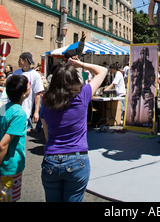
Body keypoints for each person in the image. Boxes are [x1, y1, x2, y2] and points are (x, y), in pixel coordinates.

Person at [41, 59, 107, 202]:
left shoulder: (46, 101)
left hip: (51, 157)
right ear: (74, 80)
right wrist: (81, 64)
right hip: (77, 158)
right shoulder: (82, 95)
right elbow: (103, 71)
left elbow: (46, 133)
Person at [0, 75, 31, 202]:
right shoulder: (19, 114)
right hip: (9, 167)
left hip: (5, 166)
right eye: (28, 87)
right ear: (23, 93)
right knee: (8, 199)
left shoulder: (3, 108)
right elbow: (3, 145)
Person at [13, 52, 44, 132]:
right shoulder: (16, 73)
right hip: (13, 108)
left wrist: (36, 112)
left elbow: (37, 94)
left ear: (25, 60)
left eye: (19, 59)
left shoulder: (35, 75)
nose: (18, 62)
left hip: (25, 111)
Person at [129, 47, 156, 129]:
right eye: (142, 54)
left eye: (145, 54)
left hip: (146, 87)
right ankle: (132, 119)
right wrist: (134, 83)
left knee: (150, 102)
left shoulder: (149, 65)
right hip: (138, 86)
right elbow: (132, 73)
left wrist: (150, 81)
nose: (144, 55)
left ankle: (150, 122)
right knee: (133, 102)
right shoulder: (136, 63)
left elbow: (152, 76)